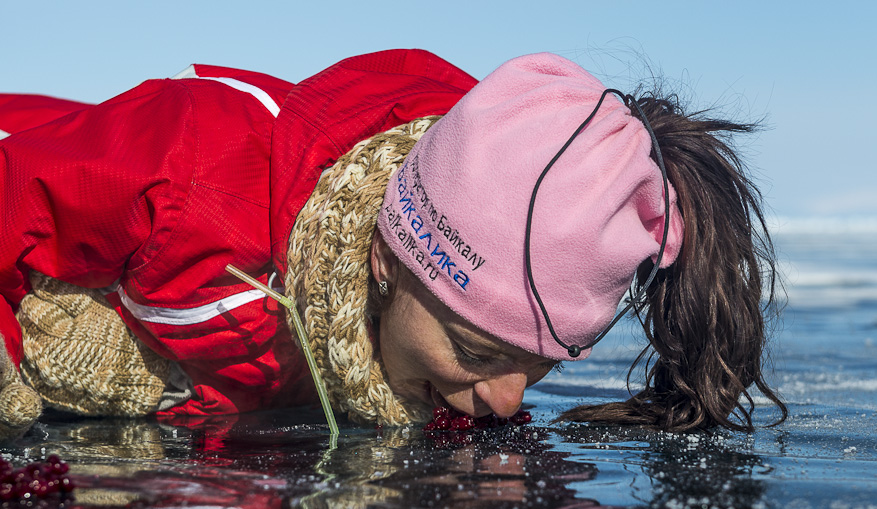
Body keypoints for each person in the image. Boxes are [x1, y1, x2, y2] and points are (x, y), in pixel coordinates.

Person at [0, 49, 786, 440]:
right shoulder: (192, 171)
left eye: (540, 365)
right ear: (388, 256)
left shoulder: (484, 205)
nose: (508, 404)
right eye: (479, 354)